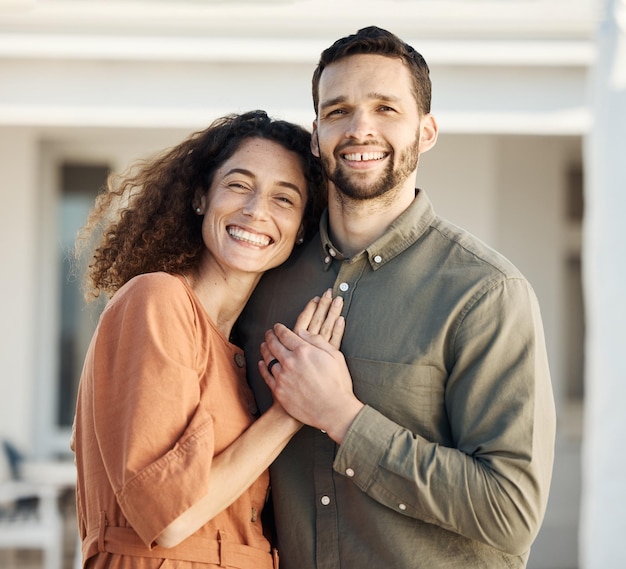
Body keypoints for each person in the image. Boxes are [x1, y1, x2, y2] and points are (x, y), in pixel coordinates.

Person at [238, 27, 556, 568]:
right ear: (316, 134)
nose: (360, 128)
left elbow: (510, 511)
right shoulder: (264, 279)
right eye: (338, 111)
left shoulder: (484, 294)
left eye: (386, 108)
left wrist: (342, 416)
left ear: (426, 131)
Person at [71, 110, 346, 569]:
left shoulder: (242, 345)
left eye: (284, 198)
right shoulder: (156, 299)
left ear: (301, 229)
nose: (256, 210)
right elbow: (171, 518)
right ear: (201, 196)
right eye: (239, 185)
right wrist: (295, 409)